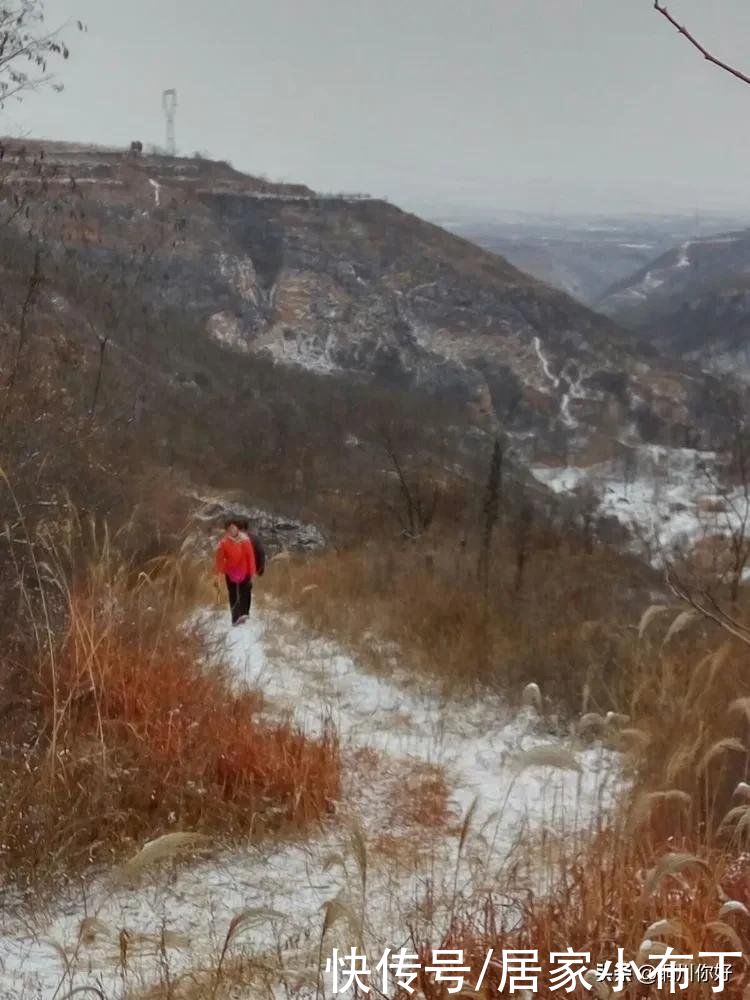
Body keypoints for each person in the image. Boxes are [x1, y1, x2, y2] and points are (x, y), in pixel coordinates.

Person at [215, 516, 257, 625]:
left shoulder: (245, 541)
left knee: (243, 593)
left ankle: (243, 614)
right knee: (233, 594)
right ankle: (235, 617)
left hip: (245, 571)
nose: (232, 530)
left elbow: (251, 557)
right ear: (227, 530)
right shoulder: (224, 542)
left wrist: (252, 572)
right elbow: (220, 558)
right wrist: (218, 573)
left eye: (234, 528)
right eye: (230, 529)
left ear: (238, 528)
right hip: (230, 571)